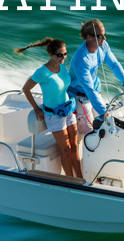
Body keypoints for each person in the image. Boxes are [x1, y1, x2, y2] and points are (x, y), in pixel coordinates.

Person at [17, 38, 82, 179]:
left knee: (74, 146)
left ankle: (80, 178)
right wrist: (36, 108)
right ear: (50, 54)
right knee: (65, 150)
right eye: (60, 55)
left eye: (65, 54)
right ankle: (71, 181)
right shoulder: (42, 72)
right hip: (54, 116)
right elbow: (26, 89)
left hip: (68, 110)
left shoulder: (62, 66)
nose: (63, 57)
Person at [67, 19, 124, 143]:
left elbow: (114, 64)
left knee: (103, 128)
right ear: (89, 37)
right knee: (92, 132)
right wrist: (105, 113)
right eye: (100, 36)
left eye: (104, 35)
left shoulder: (103, 46)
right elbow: (89, 90)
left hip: (95, 93)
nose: (104, 39)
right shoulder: (81, 59)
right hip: (81, 98)